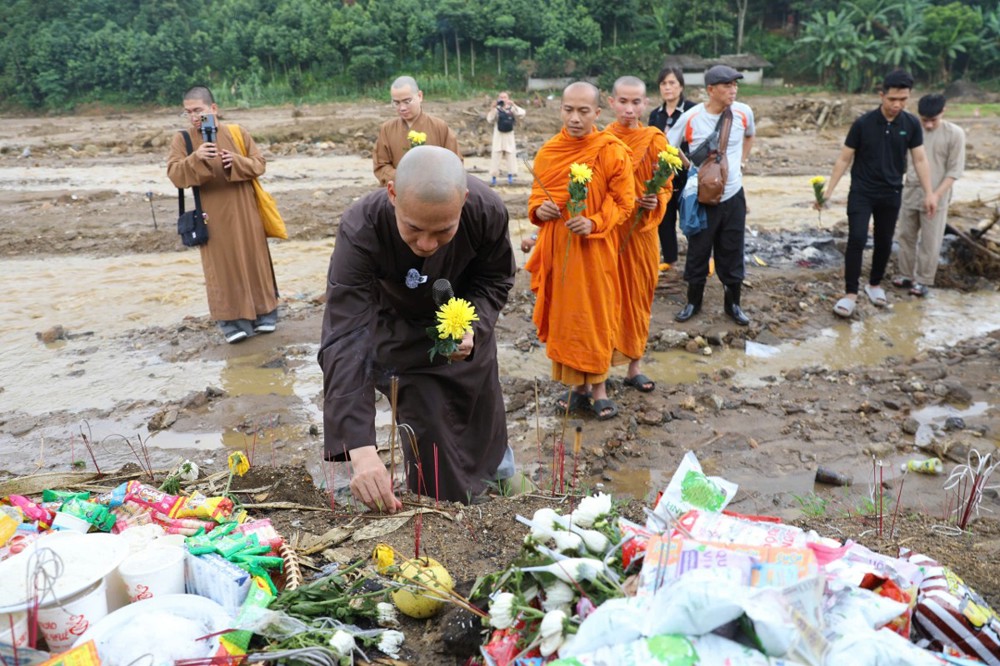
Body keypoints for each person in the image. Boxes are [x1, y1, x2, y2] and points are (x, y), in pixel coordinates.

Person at [319, 146, 515, 511]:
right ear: (392, 193)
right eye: (413, 228)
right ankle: (441, 507)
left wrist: (473, 323)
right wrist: (361, 452)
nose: (426, 245)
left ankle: (501, 487)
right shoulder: (361, 227)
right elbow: (346, 336)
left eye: (443, 231)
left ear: (463, 202)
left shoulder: (486, 211)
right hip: (399, 336)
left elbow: (495, 279)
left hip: (461, 329)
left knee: (483, 416)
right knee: (429, 432)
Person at [525, 81, 635, 421]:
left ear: (597, 113)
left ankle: (599, 387)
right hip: (560, 247)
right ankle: (576, 387)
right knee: (566, 317)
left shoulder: (610, 150)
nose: (575, 118)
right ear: (560, 110)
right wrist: (539, 212)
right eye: (568, 109)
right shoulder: (549, 152)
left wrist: (595, 222)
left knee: (595, 314)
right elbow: (536, 199)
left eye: (583, 111)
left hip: (596, 249)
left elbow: (624, 202)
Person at [817, 70, 937, 318]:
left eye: (903, 99)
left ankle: (874, 285)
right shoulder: (863, 123)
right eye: (893, 99)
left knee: (884, 240)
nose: (897, 105)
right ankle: (850, 293)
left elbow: (920, 159)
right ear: (881, 95)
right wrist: (827, 193)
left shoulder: (911, 124)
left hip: (891, 191)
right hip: (861, 191)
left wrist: (930, 193)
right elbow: (844, 159)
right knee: (857, 238)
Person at [167, 85, 279, 344]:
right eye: (188, 112)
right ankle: (231, 321)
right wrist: (196, 158)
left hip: (245, 210)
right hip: (212, 214)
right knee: (223, 266)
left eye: (198, 110)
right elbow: (175, 175)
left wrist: (235, 161)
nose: (194, 117)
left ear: (213, 109)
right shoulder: (182, 139)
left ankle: (266, 312)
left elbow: (259, 163)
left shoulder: (237, 133)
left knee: (254, 258)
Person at [668, 65, 755, 326]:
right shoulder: (692, 117)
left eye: (735, 85)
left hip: (733, 196)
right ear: (710, 90)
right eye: (727, 85)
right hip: (703, 198)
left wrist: (742, 161)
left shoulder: (743, 112)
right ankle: (693, 302)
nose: (733, 90)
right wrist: (691, 168)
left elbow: (749, 135)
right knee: (698, 249)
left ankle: (733, 305)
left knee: (732, 249)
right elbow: (668, 144)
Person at [605, 75, 672, 394]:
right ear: (611, 102)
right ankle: (598, 367)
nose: (629, 109)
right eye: (623, 101)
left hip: (642, 234)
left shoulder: (655, 139)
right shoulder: (601, 140)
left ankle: (634, 367)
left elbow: (668, 186)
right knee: (605, 300)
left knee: (638, 299)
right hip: (610, 233)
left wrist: (655, 199)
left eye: (635, 102)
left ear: (646, 104)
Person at [893, 94, 966, 297]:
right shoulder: (912, 130)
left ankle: (923, 280)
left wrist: (935, 195)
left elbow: (954, 171)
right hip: (911, 191)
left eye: (933, 120)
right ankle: (906, 274)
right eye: (925, 120)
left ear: (943, 112)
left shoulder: (955, 134)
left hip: (938, 195)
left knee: (930, 239)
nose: (929, 125)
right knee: (906, 235)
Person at [648, 66, 696, 270]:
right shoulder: (655, 115)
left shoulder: (692, 110)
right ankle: (670, 260)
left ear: (681, 86)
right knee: (664, 218)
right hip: (663, 175)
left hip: (687, 174)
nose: (667, 88)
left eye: (672, 83)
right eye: (663, 84)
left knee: (691, 218)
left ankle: (699, 260)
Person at [372, 76, 461, 187]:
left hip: (435, 192)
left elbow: (455, 163)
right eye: (396, 103)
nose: (402, 108)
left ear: (420, 96)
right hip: (399, 192)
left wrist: (432, 179)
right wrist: (403, 177)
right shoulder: (387, 129)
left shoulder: (439, 127)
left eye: (407, 101)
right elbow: (381, 166)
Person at [486, 91, 526, 187]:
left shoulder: (512, 109)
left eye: (505, 97)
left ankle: (510, 176)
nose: (503, 99)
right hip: (498, 135)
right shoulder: (497, 109)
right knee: (496, 155)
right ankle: (494, 178)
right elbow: (490, 119)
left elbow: (522, 114)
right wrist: (493, 108)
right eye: (501, 97)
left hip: (509, 136)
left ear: (508, 98)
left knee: (511, 156)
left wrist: (513, 104)